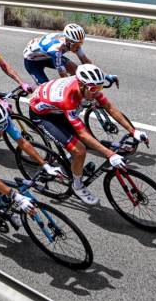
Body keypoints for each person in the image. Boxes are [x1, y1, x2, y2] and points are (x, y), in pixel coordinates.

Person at [28, 64, 147, 206]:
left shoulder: (90, 86)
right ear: (81, 85)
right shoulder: (68, 98)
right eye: (93, 89)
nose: (97, 93)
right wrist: (110, 154)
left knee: (86, 143)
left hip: (57, 109)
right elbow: (82, 134)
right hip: (43, 116)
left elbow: (110, 108)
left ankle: (69, 164)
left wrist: (133, 131)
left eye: (100, 88)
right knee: (80, 150)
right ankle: (77, 186)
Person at [23, 23, 101, 84]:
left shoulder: (73, 43)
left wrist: (98, 74)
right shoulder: (56, 50)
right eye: (75, 45)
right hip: (32, 62)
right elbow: (63, 76)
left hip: (46, 56)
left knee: (76, 71)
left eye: (80, 43)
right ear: (67, 41)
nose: (78, 47)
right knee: (45, 88)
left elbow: (85, 61)